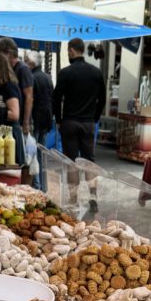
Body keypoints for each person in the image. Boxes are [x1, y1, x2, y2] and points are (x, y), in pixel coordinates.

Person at [53, 37, 107, 213]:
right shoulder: (96, 73)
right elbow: (103, 100)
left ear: (71, 51)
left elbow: (56, 99)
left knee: (72, 162)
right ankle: (93, 197)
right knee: (89, 161)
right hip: (88, 123)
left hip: (70, 122)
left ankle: (74, 199)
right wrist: (94, 117)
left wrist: (59, 120)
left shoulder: (65, 73)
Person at [0, 38, 34, 137]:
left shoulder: (23, 69)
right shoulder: (10, 69)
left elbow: (29, 97)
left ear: (8, 53)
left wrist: (26, 123)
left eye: (0, 53)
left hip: (20, 122)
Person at [24, 51, 54, 147]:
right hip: (47, 116)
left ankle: (36, 162)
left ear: (32, 63)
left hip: (35, 117)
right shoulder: (48, 77)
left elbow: (30, 98)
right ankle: (40, 162)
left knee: (32, 147)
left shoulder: (31, 77)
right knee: (42, 146)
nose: (25, 64)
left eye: (26, 61)